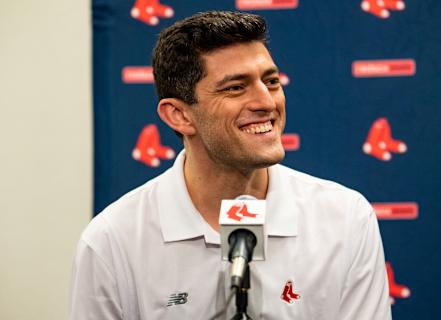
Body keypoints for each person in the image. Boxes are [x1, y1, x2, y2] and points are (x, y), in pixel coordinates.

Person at [70, 11, 391, 320]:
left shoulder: (346, 218)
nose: (266, 102)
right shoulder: (112, 241)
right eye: (236, 87)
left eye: (272, 81)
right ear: (179, 115)